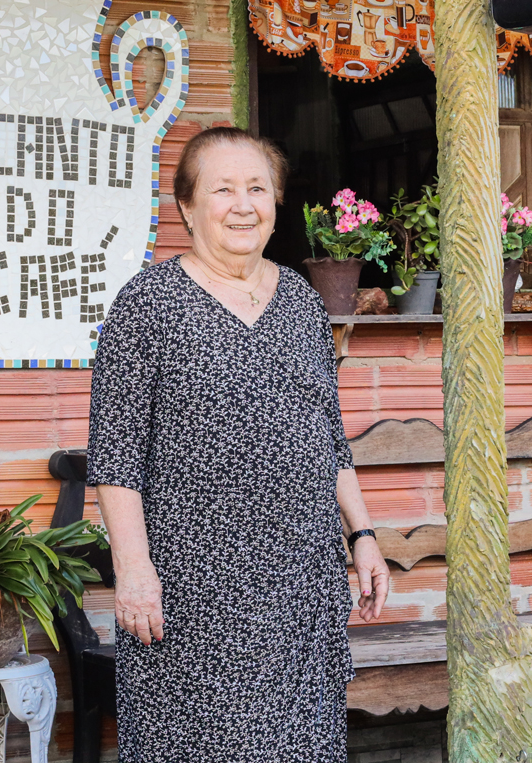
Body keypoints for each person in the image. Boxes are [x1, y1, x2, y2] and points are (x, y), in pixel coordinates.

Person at [86, 126, 391, 763]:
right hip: (193, 586)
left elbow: (327, 433)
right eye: (222, 189)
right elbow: (116, 454)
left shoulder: (302, 304)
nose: (243, 205)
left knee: (301, 744)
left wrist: (362, 535)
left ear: (276, 203)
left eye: (257, 188)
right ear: (187, 206)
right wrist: (134, 572)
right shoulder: (146, 305)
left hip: (301, 582)